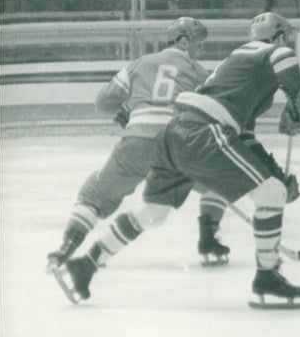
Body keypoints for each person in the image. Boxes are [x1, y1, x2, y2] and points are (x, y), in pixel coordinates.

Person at [52, 12, 300, 307]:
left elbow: (245, 138)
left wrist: (272, 171)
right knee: (271, 194)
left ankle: (86, 264)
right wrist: (297, 99)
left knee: (153, 212)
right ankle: (267, 276)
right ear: (277, 37)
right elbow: (285, 59)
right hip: (204, 131)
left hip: (176, 132)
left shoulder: (238, 70)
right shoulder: (266, 51)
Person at [47, 17, 234, 271]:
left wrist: (125, 108)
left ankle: (65, 249)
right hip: (177, 149)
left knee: (95, 194)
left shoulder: (139, 64)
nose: (202, 50)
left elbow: (103, 103)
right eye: (198, 43)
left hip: (136, 143)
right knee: (221, 180)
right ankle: (209, 241)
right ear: (182, 41)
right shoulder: (200, 73)